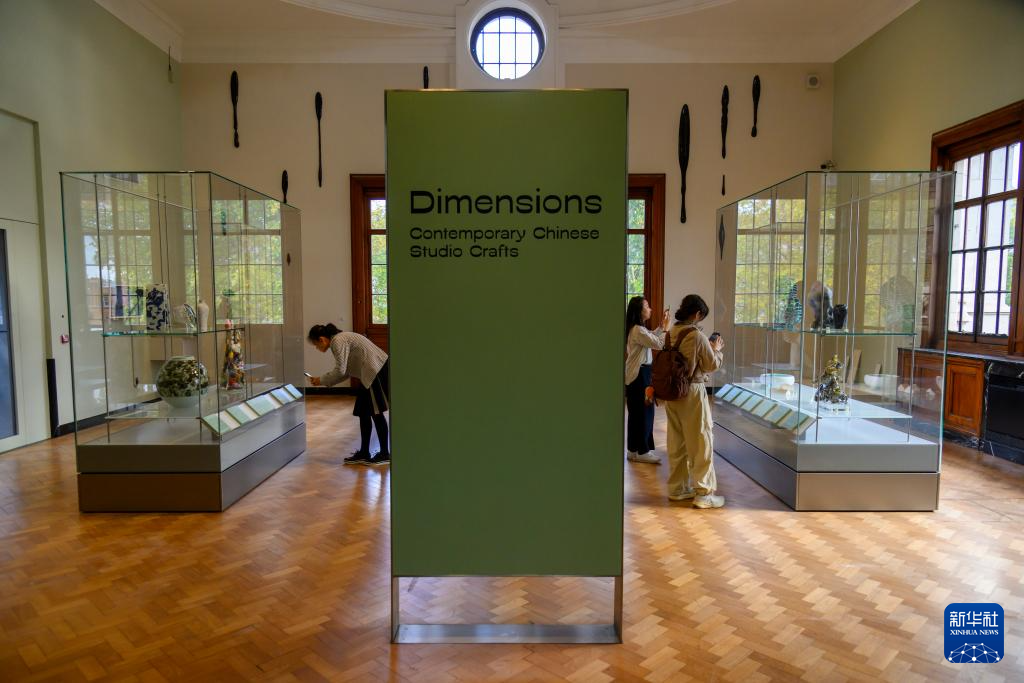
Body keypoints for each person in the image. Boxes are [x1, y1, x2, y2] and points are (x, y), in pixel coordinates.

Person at [663, 294, 726, 508]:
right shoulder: (697, 335)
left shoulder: (671, 332)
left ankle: (678, 489)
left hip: (672, 393)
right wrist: (716, 350)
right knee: (701, 441)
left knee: (676, 442)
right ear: (697, 314)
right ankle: (704, 493)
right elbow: (710, 365)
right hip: (692, 391)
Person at [308, 323, 391, 466]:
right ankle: (364, 453)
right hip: (370, 373)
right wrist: (322, 381)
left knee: (376, 413)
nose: (317, 348)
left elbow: (340, 371)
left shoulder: (337, 341)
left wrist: (321, 380)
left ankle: (384, 454)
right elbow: (345, 372)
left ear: (322, 339)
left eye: (316, 345)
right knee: (363, 412)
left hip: (374, 371)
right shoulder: (340, 339)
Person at [624, 296, 670, 464]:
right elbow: (659, 344)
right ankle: (643, 451)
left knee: (636, 414)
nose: (650, 309)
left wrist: (661, 326)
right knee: (645, 412)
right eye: (647, 306)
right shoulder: (638, 330)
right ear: (639, 311)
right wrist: (665, 330)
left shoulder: (637, 329)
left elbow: (650, 337)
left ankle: (633, 450)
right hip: (641, 375)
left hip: (637, 375)